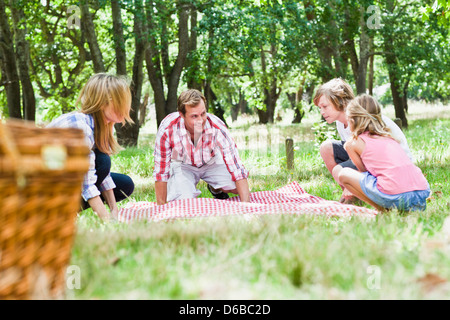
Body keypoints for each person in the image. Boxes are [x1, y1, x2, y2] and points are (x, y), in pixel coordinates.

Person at [47, 73, 135, 220]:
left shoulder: (103, 126)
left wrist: (114, 211)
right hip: (45, 186)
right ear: (103, 103)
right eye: (121, 101)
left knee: (124, 184)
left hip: (67, 180)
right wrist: (108, 222)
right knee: (102, 161)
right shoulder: (80, 127)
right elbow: (87, 183)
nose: (126, 107)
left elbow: (103, 175)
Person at [313, 78, 413, 203]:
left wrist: (350, 175)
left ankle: (360, 194)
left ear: (340, 101)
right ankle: (354, 195)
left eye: (325, 106)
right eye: (319, 108)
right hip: (370, 157)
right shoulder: (340, 123)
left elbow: (375, 154)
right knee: (326, 148)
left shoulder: (361, 118)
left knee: (340, 170)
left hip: (395, 166)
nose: (322, 112)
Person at [153, 89, 250, 205]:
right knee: (183, 202)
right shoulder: (167, 129)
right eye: (194, 116)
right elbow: (161, 172)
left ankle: (216, 189)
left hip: (212, 162)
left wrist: (246, 206)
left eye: (203, 114)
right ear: (181, 115)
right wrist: (161, 208)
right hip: (183, 165)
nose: (200, 120)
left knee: (237, 187)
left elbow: (236, 168)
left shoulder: (216, 126)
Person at [336, 94, 430, 212]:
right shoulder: (389, 137)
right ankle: (402, 209)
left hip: (395, 196)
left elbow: (364, 173)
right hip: (420, 195)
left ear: (352, 120)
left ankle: (382, 210)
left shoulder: (353, 143)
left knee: (343, 174)